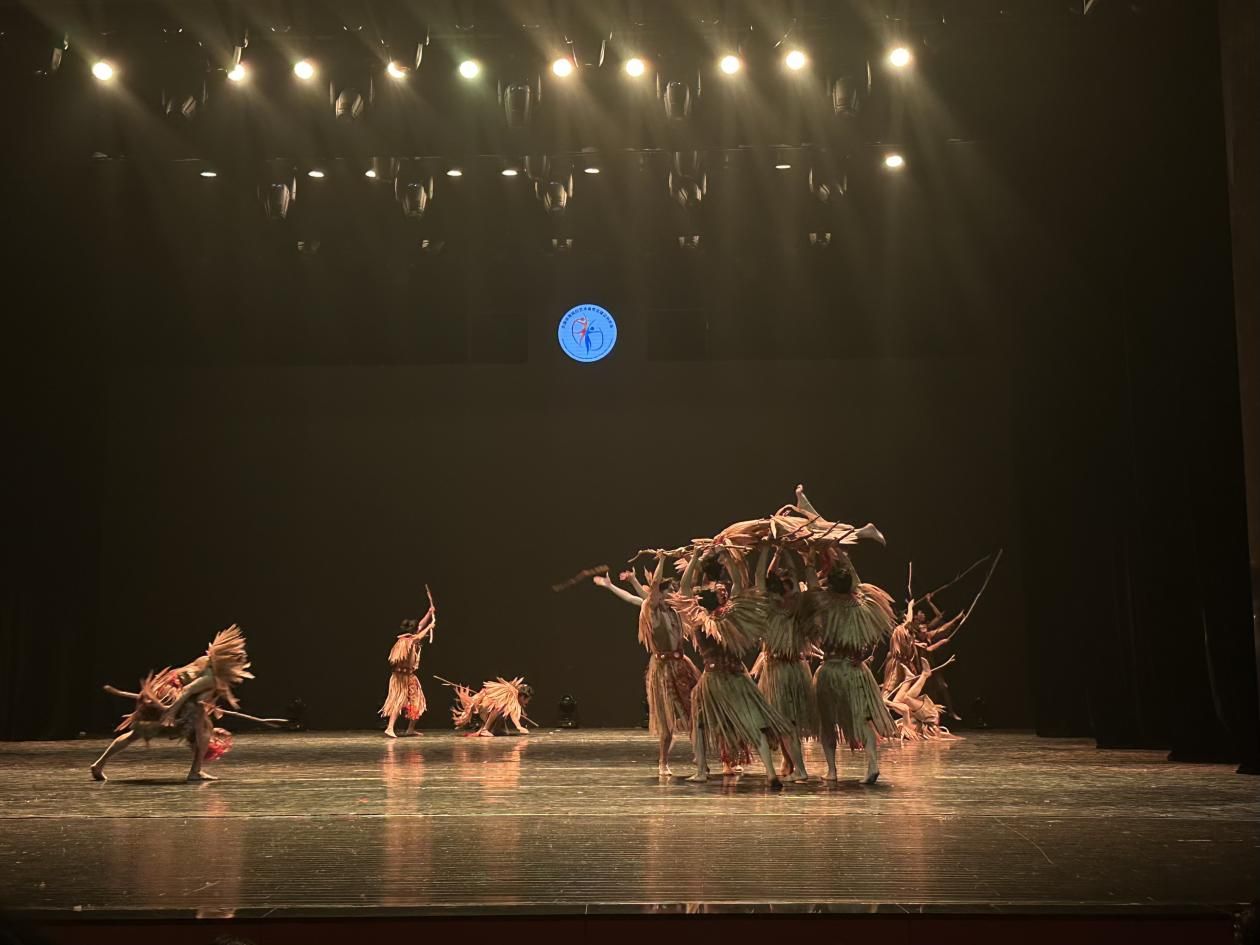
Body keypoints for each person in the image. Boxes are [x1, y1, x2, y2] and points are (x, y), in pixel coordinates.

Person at [668, 546, 792, 788]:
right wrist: (729, 561)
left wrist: (695, 559)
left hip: (714, 678)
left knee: (700, 724)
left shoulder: (700, 622)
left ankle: (701, 770)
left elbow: (684, 589)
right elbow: (739, 587)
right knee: (755, 724)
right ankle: (770, 772)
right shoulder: (734, 617)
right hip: (738, 677)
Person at [92, 625, 254, 782]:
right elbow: (188, 690)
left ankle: (99, 764)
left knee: (136, 734)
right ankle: (195, 772)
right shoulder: (210, 678)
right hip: (172, 696)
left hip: (164, 691)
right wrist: (171, 711)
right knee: (204, 729)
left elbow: (188, 684)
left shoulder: (205, 660)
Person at [594, 553, 701, 776]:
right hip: (662, 669)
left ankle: (699, 756)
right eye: (669, 591)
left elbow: (682, 587)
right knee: (666, 721)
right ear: (660, 594)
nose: (673, 595)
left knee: (694, 711)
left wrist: (696, 557)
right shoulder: (651, 609)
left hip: (681, 665)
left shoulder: (676, 611)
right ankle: (663, 761)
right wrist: (660, 561)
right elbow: (638, 596)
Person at [801, 552, 898, 783]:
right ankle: (872, 764)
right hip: (856, 670)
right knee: (862, 719)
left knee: (827, 723)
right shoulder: (863, 605)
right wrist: (842, 556)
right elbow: (857, 581)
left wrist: (809, 562)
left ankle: (832, 770)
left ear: (831, 587)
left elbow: (813, 588)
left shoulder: (825, 606)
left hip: (832, 670)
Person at [748, 545, 816, 782]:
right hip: (794, 669)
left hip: (779, 670)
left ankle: (800, 770)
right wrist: (784, 551)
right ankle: (790, 763)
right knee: (788, 723)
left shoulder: (767, 607)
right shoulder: (795, 605)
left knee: (784, 723)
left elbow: (760, 576)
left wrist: (768, 549)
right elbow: (790, 578)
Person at [381, 599, 436, 738]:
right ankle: (389, 728)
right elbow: (418, 636)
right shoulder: (405, 641)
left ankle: (410, 729)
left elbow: (420, 626)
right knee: (398, 700)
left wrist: (429, 613)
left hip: (410, 676)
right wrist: (430, 627)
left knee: (417, 701)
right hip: (400, 678)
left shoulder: (410, 637)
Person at [440, 677, 535, 736]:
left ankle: (494, 729)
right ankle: (485, 729)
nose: (527, 702)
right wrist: (519, 727)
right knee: (500, 707)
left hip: (485, 711)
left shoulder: (511, 695)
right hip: (483, 710)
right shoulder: (511, 695)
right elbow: (513, 714)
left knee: (504, 712)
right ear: (522, 696)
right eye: (527, 700)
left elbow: (511, 712)